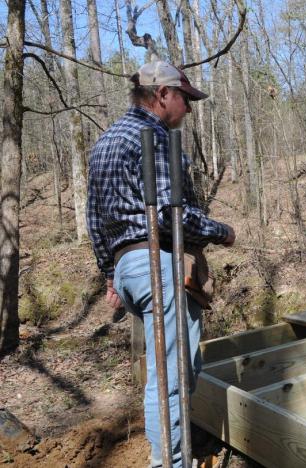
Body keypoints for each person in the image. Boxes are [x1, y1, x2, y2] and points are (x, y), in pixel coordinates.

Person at [87, 60, 236, 467]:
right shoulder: (153, 137)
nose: (188, 109)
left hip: (128, 268)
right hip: (157, 264)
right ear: (163, 94)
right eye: (185, 99)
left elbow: (95, 220)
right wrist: (221, 230)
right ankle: (169, 463)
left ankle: (173, 452)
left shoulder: (105, 142)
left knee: (170, 369)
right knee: (170, 378)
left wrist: (111, 275)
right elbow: (170, 216)